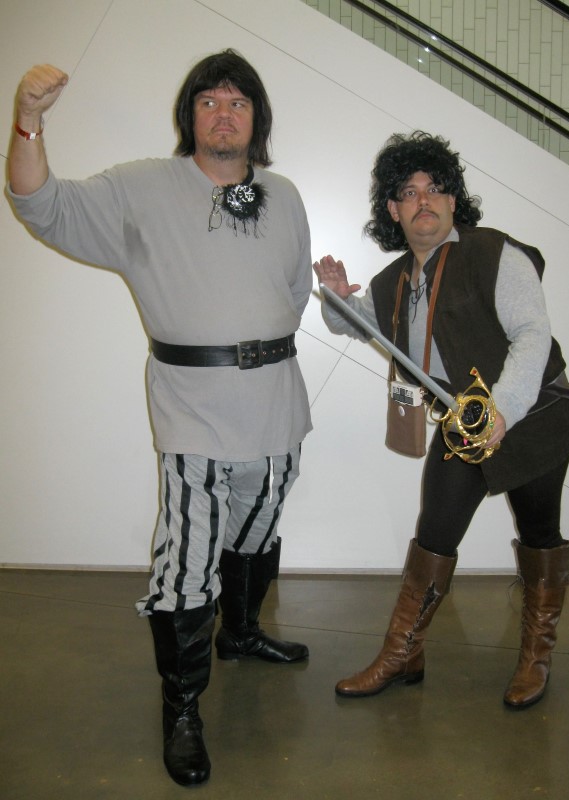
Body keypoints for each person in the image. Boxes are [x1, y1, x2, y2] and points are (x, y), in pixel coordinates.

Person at [7, 50, 313, 787]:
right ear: (190, 116)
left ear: (257, 119)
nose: (223, 113)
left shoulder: (284, 195)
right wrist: (27, 122)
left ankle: (241, 633)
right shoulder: (142, 187)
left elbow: (294, 290)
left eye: (238, 102)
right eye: (209, 101)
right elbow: (40, 203)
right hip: (193, 410)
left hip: (277, 403)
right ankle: (182, 709)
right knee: (187, 563)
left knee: (257, 528)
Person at [314, 131, 569, 710]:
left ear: (453, 200)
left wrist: (503, 410)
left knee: (539, 534)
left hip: (534, 414)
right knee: (435, 532)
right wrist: (336, 298)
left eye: (435, 188)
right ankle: (402, 653)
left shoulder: (494, 253)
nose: (424, 201)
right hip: (464, 423)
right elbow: (361, 323)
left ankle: (536, 655)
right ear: (393, 210)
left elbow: (532, 334)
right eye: (409, 193)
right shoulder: (394, 281)